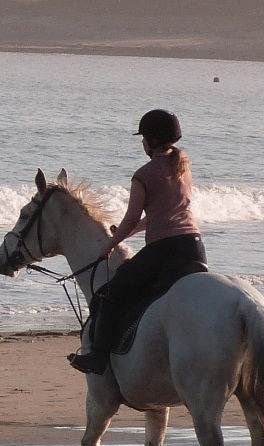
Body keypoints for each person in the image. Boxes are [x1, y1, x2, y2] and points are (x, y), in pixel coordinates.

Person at [68, 109, 206, 374]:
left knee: (107, 294)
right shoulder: (184, 168)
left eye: (143, 138)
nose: (142, 143)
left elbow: (133, 217)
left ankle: (97, 358)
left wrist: (108, 247)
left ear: (151, 140)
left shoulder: (144, 174)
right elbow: (156, 216)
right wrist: (125, 233)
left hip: (164, 252)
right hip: (194, 248)